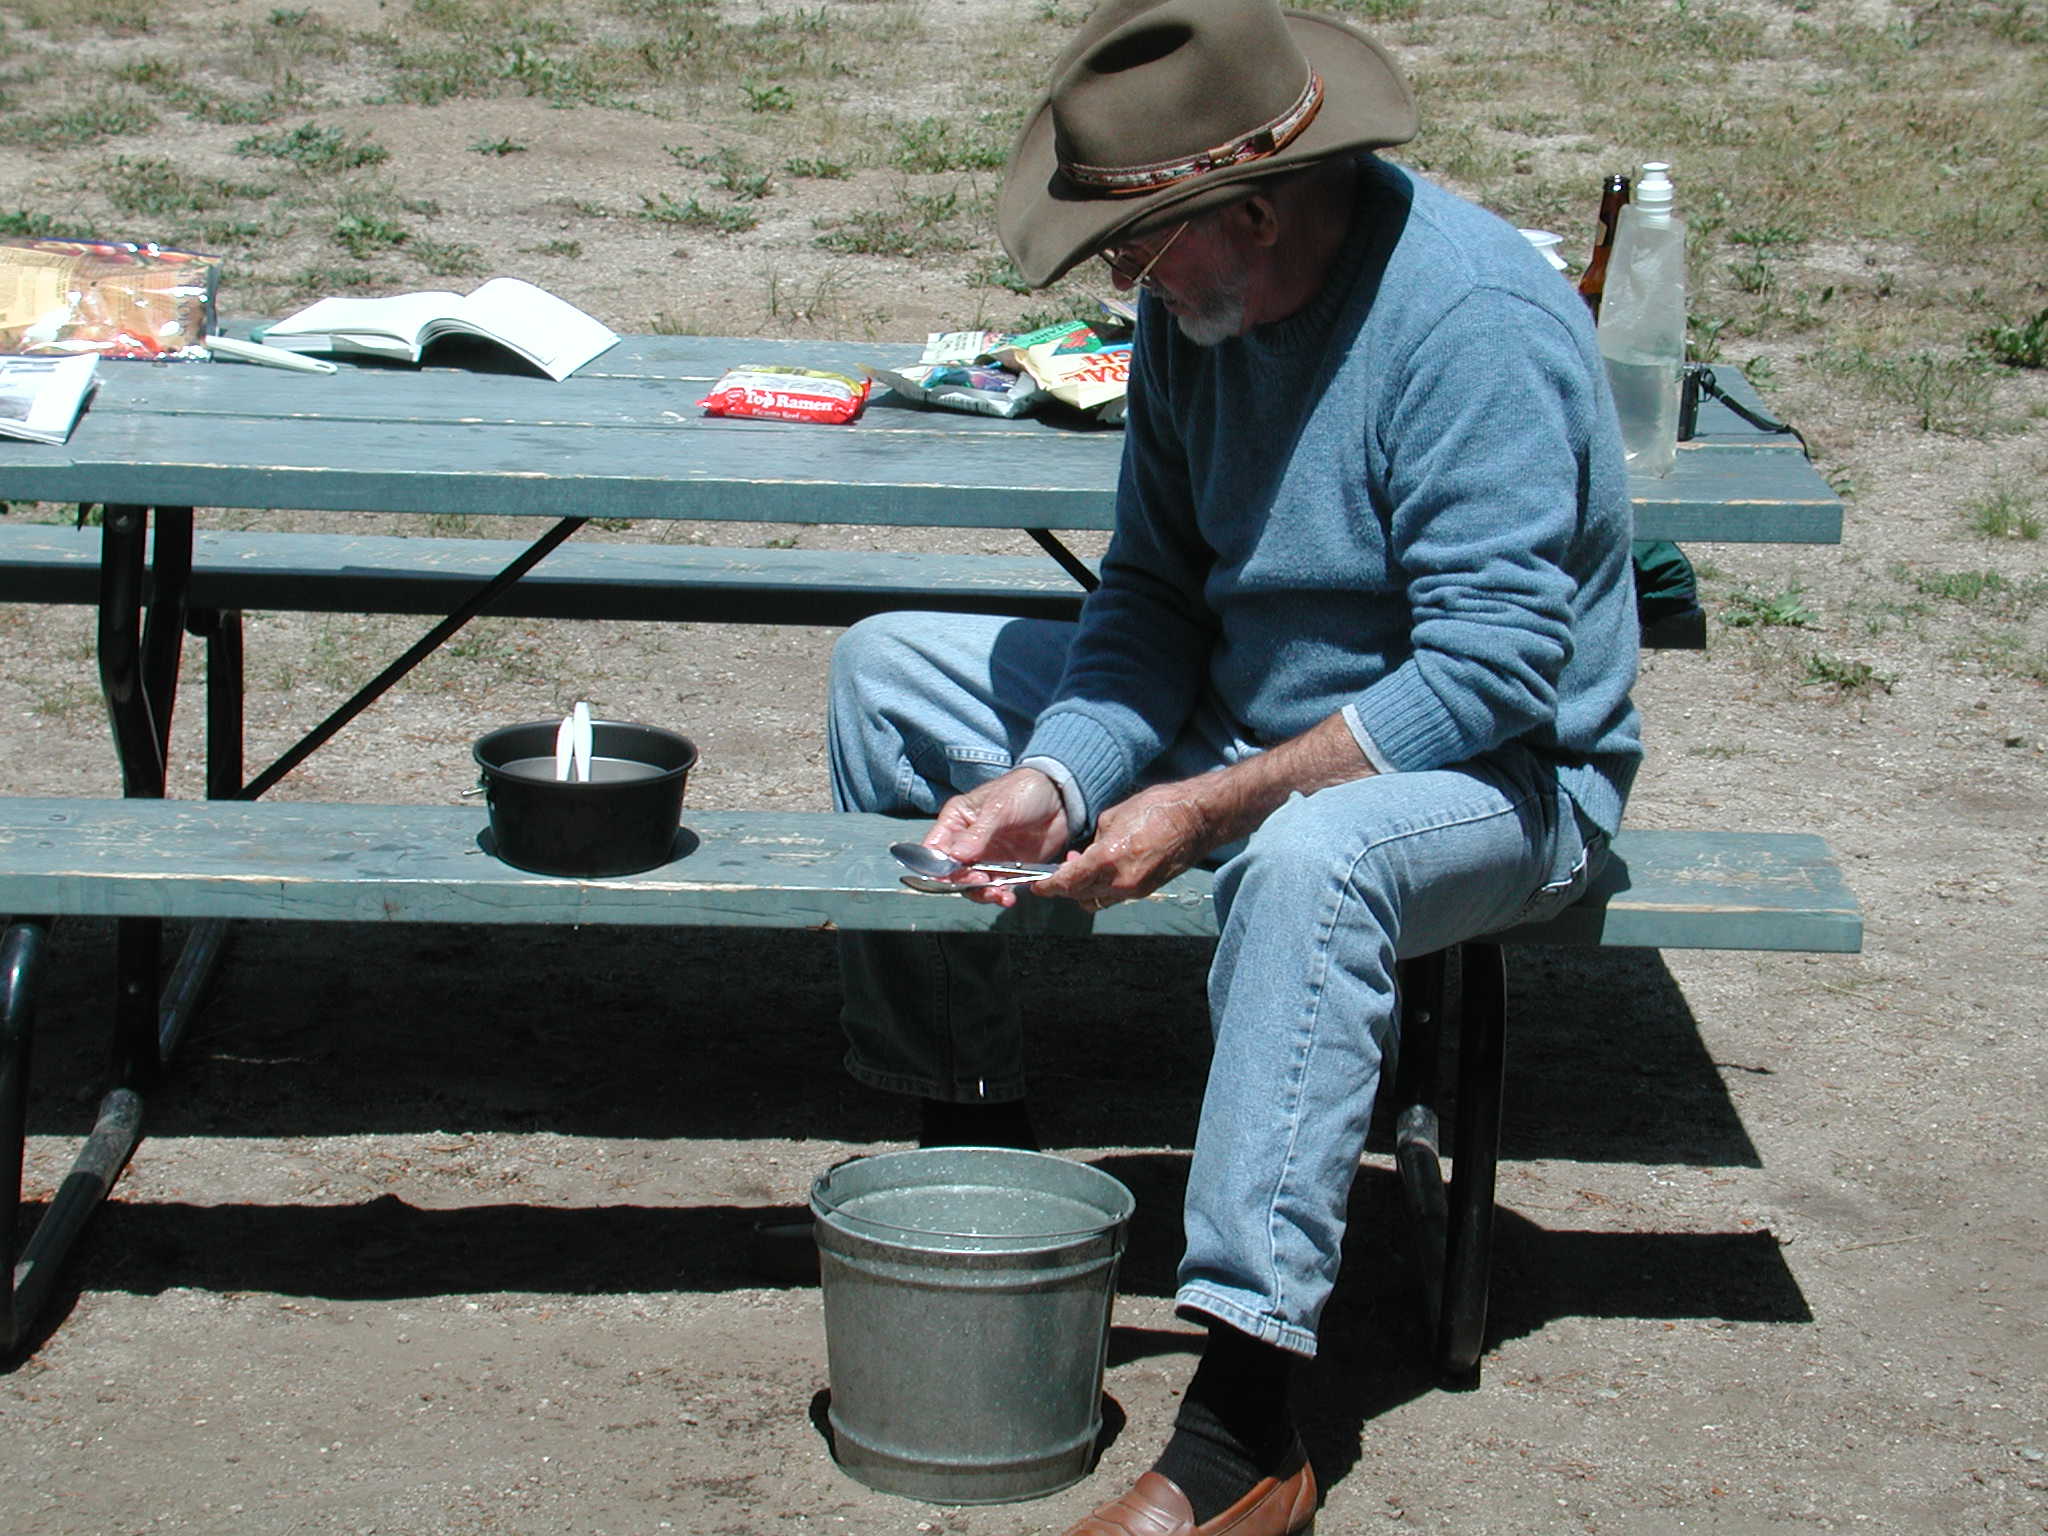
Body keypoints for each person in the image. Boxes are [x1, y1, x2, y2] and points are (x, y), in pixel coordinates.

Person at [826, 0, 1642, 1530]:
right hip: (1251, 710)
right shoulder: (1195, 315)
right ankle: (976, 1138)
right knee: (891, 671)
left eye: (1139, 252)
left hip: (1498, 774)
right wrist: (1063, 780)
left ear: (1256, 211)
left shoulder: (1471, 323)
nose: (1126, 284)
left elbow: (1493, 670)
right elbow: (1149, 597)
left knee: (1310, 860)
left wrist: (1209, 799)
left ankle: (1249, 1421)